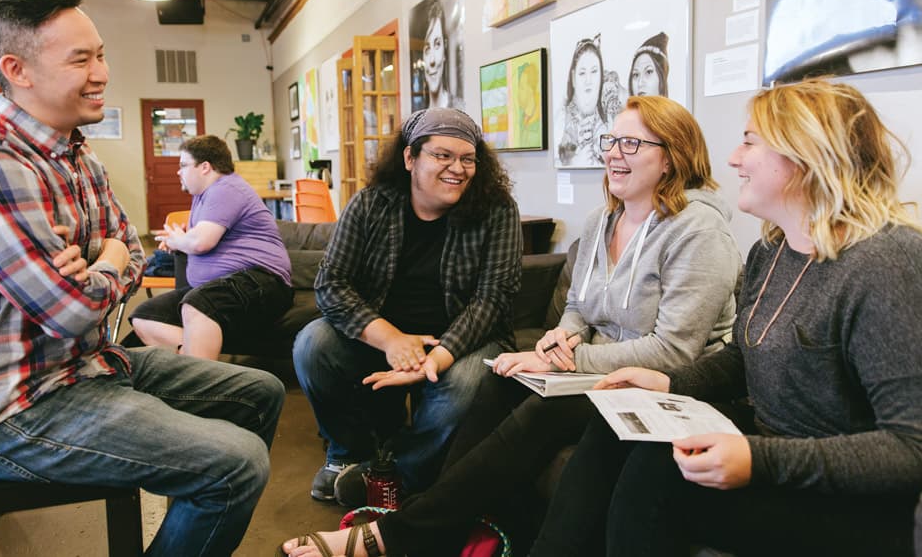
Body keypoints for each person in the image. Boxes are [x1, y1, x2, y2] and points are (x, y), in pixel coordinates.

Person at [279, 95, 742, 557]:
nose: (614, 152)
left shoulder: (698, 230)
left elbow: (673, 353)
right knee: (500, 383)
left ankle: (402, 534)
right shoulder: (604, 218)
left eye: (632, 143)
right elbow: (579, 307)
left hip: (660, 382)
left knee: (513, 395)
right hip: (596, 370)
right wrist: (562, 336)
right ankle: (444, 520)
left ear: (672, 156)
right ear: (410, 158)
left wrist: (561, 357)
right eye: (611, 140)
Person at [0, 0, 285, 555]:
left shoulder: (77, 153)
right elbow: (70, 311)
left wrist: (103, 260)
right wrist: (108, 260)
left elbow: (136, 250)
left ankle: (191, 519)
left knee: (259, 391)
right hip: (17, 407)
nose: (102, 72)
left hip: (91, 367)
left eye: (101, 53)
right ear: (17, 69)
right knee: (235, 463)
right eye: (81, 59)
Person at [532, 78, 922, 556]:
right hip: (774, 443)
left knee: (657, 482)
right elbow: (743, 356)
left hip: (852, 499)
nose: (734, 158)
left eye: (750, 142)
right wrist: (667, 383)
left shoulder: (887, 263)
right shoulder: (771, 250)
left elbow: (909, 449)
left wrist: (759, 460)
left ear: (806, 155)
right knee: (616, 428)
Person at [292, 107, 522, 507]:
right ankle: (347, 453)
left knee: (464, 385)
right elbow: (330, 283)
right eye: (442, 155)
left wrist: (440, 355)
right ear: (410, 158)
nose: (458, 168)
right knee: (312, 345)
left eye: (468, 159)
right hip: (385, 334)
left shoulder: (497, 210)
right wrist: (391, 339)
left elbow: (495, 297)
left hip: (464, 338)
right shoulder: (371, 205)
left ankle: (397, 468)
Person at [128, 134, 293, 359]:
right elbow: (197, 239)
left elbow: (200, 242)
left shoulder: (226, 188)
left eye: (183, 165)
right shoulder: (203, 195)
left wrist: (179, 240)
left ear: (205, 167)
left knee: (198, 304)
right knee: (145, 315)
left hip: (261, 281)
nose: (179, 172)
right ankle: (193, 355)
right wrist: (181, 241)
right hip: (221, 286)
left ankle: (202, 380)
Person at [557, 35, 610, 166]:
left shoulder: (609, 116)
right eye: (582, 73)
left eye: (594, 71)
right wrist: (574, 162)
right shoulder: (562, 119)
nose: (588, 81)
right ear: (574, 78)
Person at [419, 1, 464, 111]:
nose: (432, 60)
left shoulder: (461, 110)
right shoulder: (418, 121)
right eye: (427, 49)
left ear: (445, 50)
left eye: (437, 44)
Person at [628, 31, 669, 97]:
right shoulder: (623, 106)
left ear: (662, 76)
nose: (640, 83)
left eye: (649, 72)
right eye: (636, 75)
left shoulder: (675, 107)